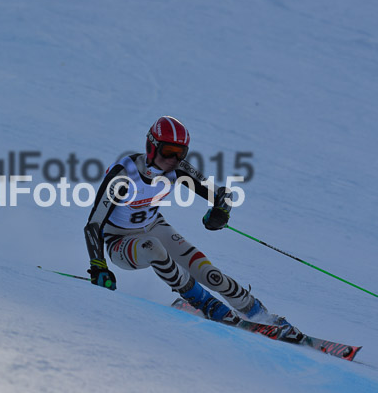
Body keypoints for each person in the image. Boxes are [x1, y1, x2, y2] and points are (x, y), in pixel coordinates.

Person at [84, 116, 300, 336]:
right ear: (151, 146)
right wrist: (99, 265)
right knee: (153, 247)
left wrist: (221, 211)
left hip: (154, 226)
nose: (173, 159)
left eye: (181, 153)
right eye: (168, 151)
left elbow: (222, 194)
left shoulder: (178, 169)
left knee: (209, 273)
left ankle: (259, 314)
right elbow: (93, 224)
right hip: (119, 239)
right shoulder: (123, 175)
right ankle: (206, 304)